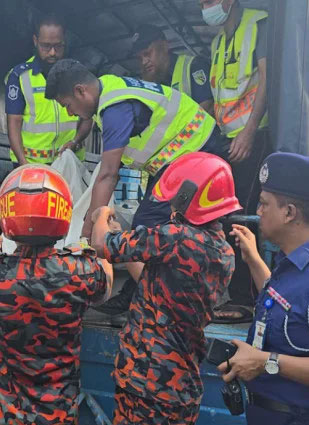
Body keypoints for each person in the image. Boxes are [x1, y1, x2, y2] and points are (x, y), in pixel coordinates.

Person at [44, 59, 230, 315]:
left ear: (80, 91)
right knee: (161, 224)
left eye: (67, 105)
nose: (69, 112)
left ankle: (153, 301)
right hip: (179, 159)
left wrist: (90, 228)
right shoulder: (107, 89)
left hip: (196, 152)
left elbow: (108, 174)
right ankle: (145, 292)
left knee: (149, 221)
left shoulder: (114, 107)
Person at [91, 152, 239, 425]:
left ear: (187, 197)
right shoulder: (225, 252)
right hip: (180, 385)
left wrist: (100, 215)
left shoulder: (175, 238)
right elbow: (154, 283)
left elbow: (101, 244)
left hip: (146, 383)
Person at [0, 165, 112, 425]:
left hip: (5, 412)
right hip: (59, 410)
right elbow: (105, 291)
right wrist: (93, 247)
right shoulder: (82, 271)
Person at [219, 152, 309, 424]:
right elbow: (281, 302)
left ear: (289, 213)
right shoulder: (288, 263)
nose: (257, 213)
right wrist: (254, 259)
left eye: (263, 204)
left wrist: (264, 362)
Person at [200, 0, 272, 317]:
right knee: (223, 214)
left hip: (252, 137)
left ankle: (246, 298)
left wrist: (250, 131)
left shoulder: (258, 24)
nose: (207, 7)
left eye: (211, 1)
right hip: (226, 138)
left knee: (242, 213)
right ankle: (233, 291)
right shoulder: (217, 42)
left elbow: (266, 81)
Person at [5, 14, 93, 166]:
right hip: (31, 164)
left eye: (58, 46)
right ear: (35, 41)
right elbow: (14, 122)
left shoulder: (78, 72)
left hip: (69, 162)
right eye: (46, 46)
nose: (52, 52)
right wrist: (23, 164)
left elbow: (88, 115)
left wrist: (75, 141)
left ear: (65, 41)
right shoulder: (19, 76)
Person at [132, 24, 213, 113]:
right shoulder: (152, 81)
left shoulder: (193, 66)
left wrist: (185, 127)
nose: (144, 62)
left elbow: (207, 108)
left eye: (147, 53)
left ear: (164, 46)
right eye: (139, 58)